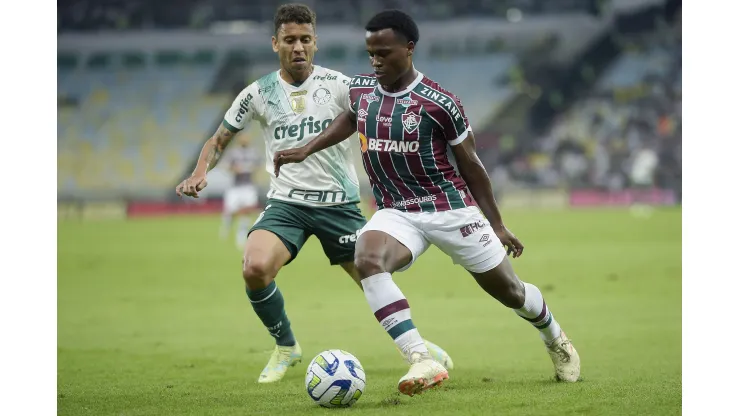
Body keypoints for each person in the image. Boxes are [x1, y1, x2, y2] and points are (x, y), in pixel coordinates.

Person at [274, 9, 581, 397]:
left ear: (409, 48)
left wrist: (498, 225)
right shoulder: (361, 91)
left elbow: (472, 166)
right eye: (371, 53)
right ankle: (421, 357)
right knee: (367, 258)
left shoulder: (439, 103)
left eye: (384, 52)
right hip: (397, 211)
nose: (376, 60)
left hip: (450, 209)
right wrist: (306, 148)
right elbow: (352, 118)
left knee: (512, 293)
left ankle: (555, 337)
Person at [174, 3, 453, 384]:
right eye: (290, 40)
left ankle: (417, 346)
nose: (298, 47)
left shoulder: (340, 85)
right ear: (276, 44)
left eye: (305, 39)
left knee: (373, 279)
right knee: (254, 268)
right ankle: (286, 347)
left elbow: (383, 111)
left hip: (339, 205)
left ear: (315, 43)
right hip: (287, 204)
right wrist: (200, 171)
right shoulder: (257, 93)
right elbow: (219, 138)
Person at [219, 134, 263, 248]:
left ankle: (241, 236)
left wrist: (253, 169)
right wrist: (234, 169)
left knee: (246, 211)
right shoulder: (233, 153)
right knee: (230, 211)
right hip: (235, 187)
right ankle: (226, 228)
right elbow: (224, 166)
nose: (245, 140)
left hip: (248, 186)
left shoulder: (254, 152)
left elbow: (259, 165)